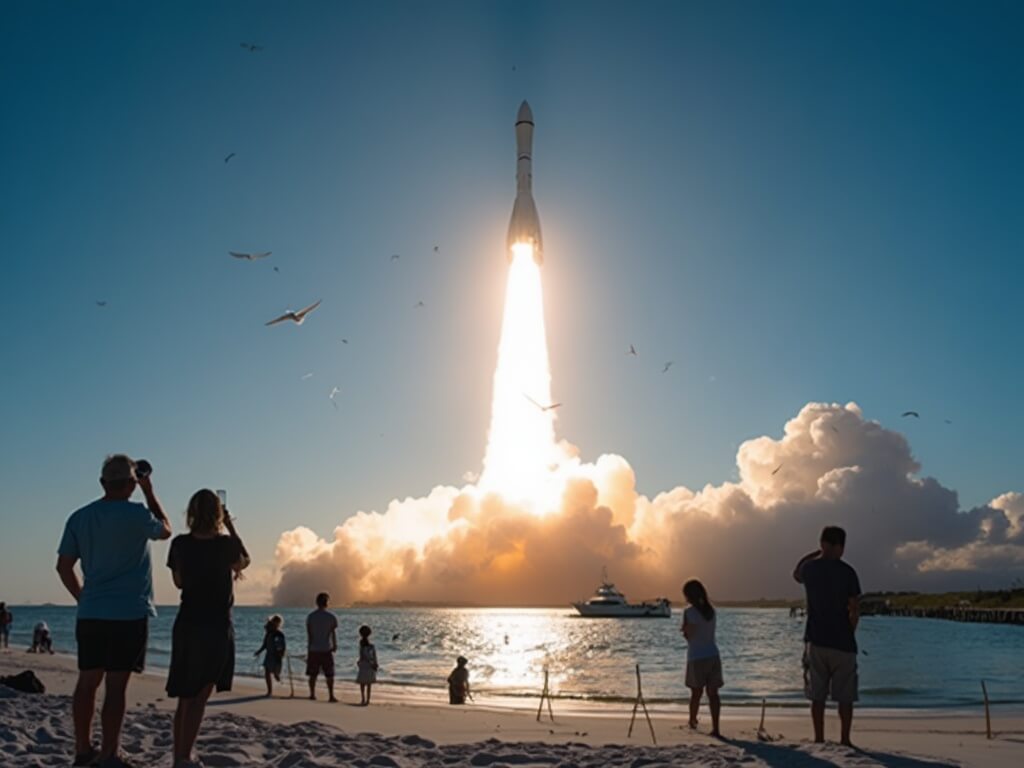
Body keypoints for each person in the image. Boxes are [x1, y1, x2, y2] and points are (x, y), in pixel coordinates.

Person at [57, 454, 172, 768]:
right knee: (116, 685)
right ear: (132, 484)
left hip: (92, 610)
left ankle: (82, 749)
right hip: (129, 612)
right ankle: (109, 751)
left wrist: (82, 598)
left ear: (102, 483)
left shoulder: (80, 517)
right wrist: (150, 492)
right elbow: (165, 530)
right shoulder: (137, 514)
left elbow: (64, 566)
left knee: (87, 681)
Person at [166, 489, 250, 768]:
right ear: (218, 514)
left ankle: (180, 755)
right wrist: (230, 525)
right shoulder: (226, 545)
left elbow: (178, 582)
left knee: (185, 695)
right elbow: (244, 560)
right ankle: (184, 757)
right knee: (201, 694)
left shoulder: (180, 544)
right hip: (215, 625)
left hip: (187, 622)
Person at [793, 525, 861, 747]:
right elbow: (854, 608)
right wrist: (850, 630)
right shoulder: (848, 572)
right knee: (845, 697)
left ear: (822, 544)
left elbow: (796, 573)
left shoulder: (810, 569)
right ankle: (845, 739)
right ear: (841, 547)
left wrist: (815, 553)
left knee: (817, 695)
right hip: (843, 642)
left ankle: (819, 738)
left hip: (816, 639)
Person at [681, 579, 722, 737]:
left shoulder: (689, 612)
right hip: (713, 654)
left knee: (696, 693)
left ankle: (692, 720)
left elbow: (689, 636)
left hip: (696, 656)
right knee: (713, 693)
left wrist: (684, 630)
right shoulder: (711, 611)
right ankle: (716, 728)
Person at [306, 592, 339, 702]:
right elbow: (332, 633)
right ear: (327, 603)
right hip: (326, 648)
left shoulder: (311, 617)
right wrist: (334, 645)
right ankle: (331, 695)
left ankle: (312, 694)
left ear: (317, 602)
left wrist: (309, 648)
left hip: (314, 648)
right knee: (329, 674)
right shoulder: (331, 617)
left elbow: (309, 635)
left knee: (313, 674)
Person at [255, 615, 287, 696]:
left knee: (276, 673)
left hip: (277, 656)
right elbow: (265, 644)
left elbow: (282, 645)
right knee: (267, 672)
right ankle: (269, 691)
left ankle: (278, 677)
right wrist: (259, 651)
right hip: (269, 655)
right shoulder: (269, 633)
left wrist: (281, 653)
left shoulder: (279, 634)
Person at [356, 625, 378, 705]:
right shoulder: (372, 646)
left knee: (362, 683)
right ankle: (368, 699)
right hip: (370, 664)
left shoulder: (362, 644)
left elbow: (361, 655)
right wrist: (375, 664)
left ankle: (363, 698)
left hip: (364, 664)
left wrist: (359, 662)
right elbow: (374, 656)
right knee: (369, 684)